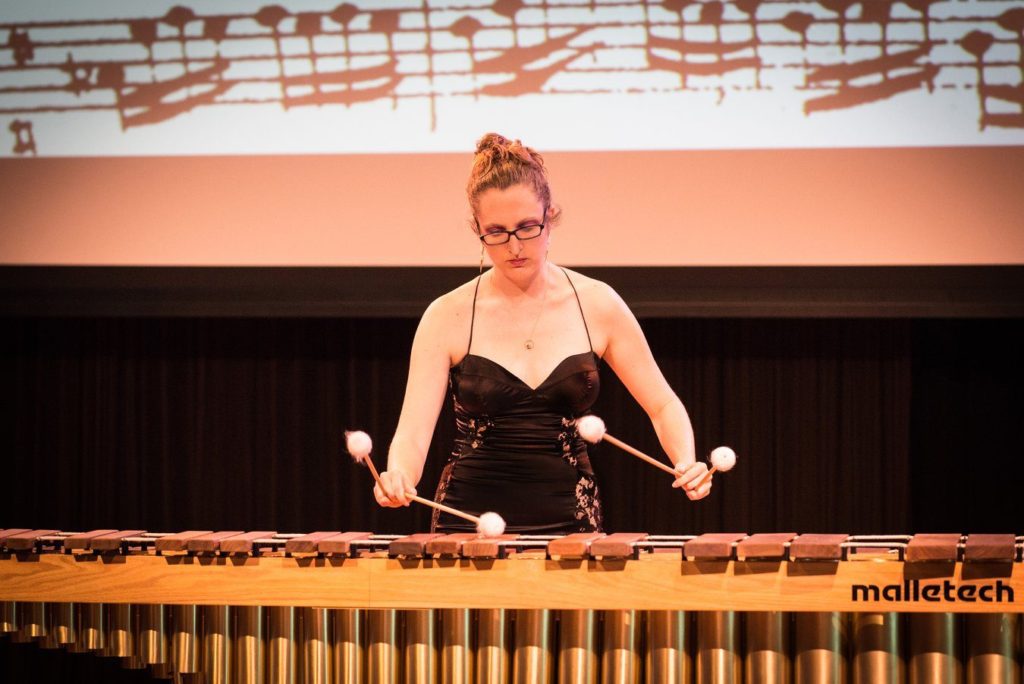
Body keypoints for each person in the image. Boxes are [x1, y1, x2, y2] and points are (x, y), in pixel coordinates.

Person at [375, 133, 711, 532]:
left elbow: (662, 405)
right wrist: (399, 475)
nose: (514, 246)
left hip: (569, 520)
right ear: (477, 230)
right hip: (468, 521)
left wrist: (686, 461)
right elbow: (413, 433)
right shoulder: (447, 315)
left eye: (528, 227)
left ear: (550, 217)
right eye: (496, 232)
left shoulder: (597, 304)